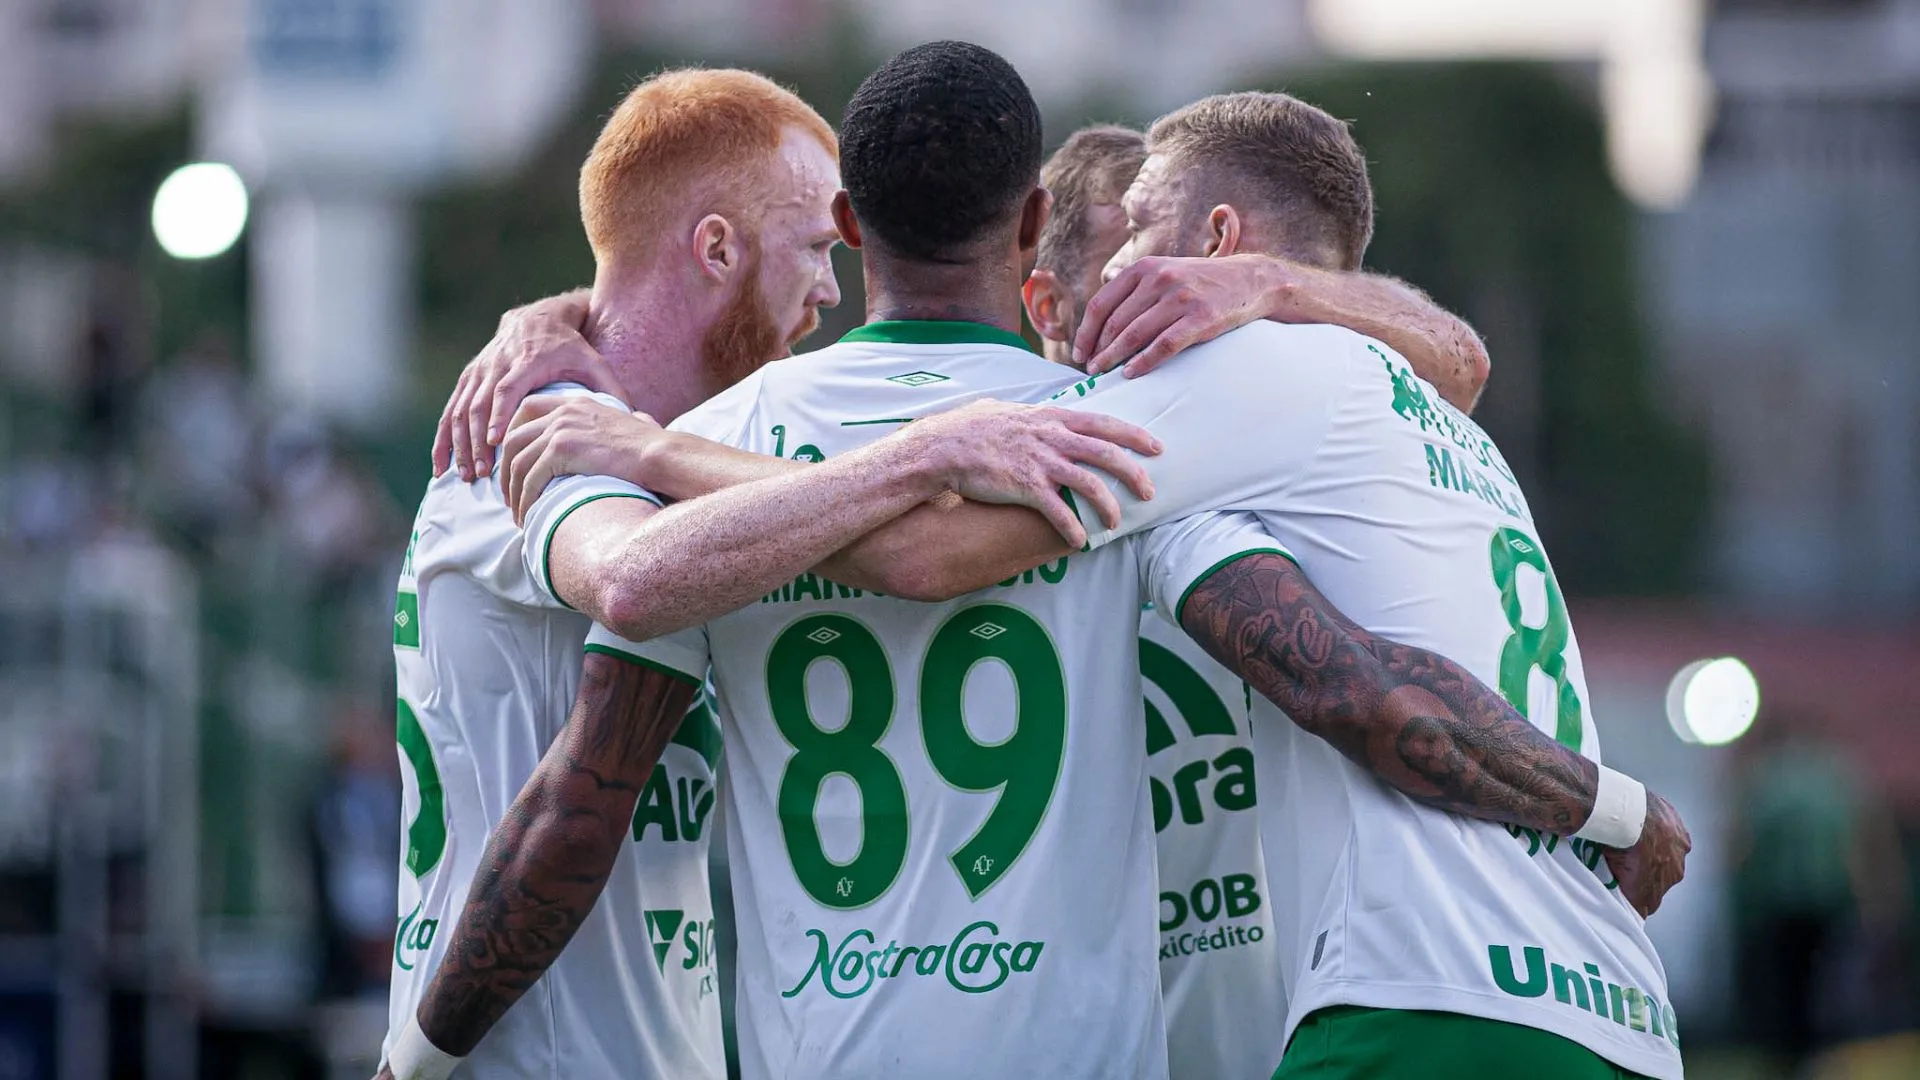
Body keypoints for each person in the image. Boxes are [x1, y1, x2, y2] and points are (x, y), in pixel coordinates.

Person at [414, 44, 1684, 1080]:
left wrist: (416, 1055)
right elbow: (1359, 652)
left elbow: (584, 792)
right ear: (1031, 228)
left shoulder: (711, 453)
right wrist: (1611, 804)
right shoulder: (1111, 435)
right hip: (1162, 1042)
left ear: (850, 224)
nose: (1122, 262)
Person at [376, 67, 1159, 1080]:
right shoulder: (533, 439)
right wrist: (925, 453)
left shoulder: (678, 444)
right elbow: (633, 581)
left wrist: (555, 318)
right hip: (535, 1053)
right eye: (813, 251)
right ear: (716, 250)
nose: (830, 290)